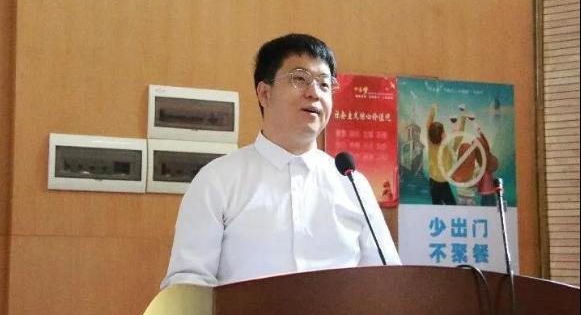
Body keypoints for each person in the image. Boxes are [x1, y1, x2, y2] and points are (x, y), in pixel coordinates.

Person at [161, 34, 401, 289]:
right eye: (300, 78)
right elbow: (188, 282)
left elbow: (387, 280)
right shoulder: (217, 180)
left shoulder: (352, 183)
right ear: (264, 94)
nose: (314, 93)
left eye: (324, 84)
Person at [425, 104, 465, 205]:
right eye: (444, 131)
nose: (445, 132)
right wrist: (463, 118)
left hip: (433, 182)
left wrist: (433, 109)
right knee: (452, 207)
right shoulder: (448, 146)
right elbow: (460, 136)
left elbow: (428, 125)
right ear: (442, 135)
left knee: (437, 206)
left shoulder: (430, 142)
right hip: (442, 183)